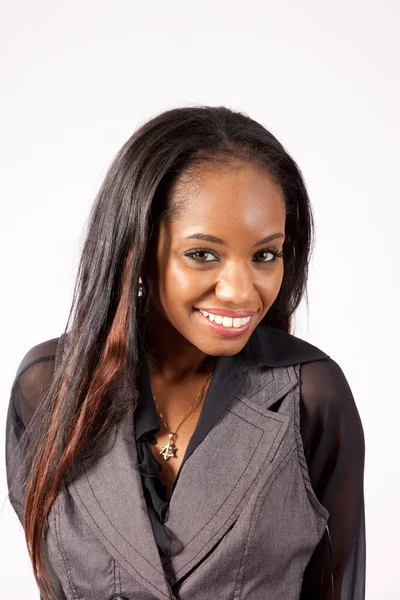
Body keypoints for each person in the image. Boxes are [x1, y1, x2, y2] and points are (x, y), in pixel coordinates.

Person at [5, 105, 365, 600]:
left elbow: (337, 587)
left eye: (265, 254)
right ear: (138, 249)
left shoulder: (309, 397)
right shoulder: (49, 388)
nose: (241, 291)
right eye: (203, 254)